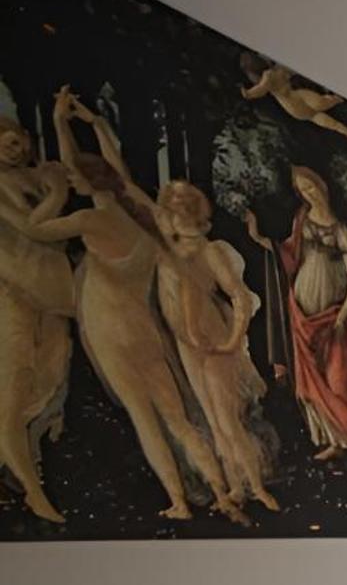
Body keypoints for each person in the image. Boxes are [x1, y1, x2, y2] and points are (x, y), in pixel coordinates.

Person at [28, 89, 240, 524]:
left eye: (75, 181)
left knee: (145, 418)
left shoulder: (88, 220)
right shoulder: (142, 219)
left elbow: (36, 228)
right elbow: (112, 172)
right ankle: (221, 491)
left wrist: (56, 180)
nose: (71, 182)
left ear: (85, 184)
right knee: (177, 419)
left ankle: (179, 502)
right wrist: (85, 124)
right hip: (144, 332)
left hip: (111, 334)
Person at [245, 165, 347, 462]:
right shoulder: (302, 218)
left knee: (340, 383)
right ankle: (333, 440)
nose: (308, 194)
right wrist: (258, 237)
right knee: (310, 386)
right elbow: (289, 255)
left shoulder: (340, 228)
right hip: (301, 313)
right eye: (302, 190)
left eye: (310, 187)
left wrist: (342, 316)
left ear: (321, 185)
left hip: (333, 316)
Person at [154, 180, 277, 510]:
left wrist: (233, 340)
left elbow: (239, 296)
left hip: (213, 342)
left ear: (190, 213)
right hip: (187, 344)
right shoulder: (169, 251)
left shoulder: (208, 251)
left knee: (228, 421)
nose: (173, 217)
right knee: (212, 421)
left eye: (179, 210)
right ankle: (235, 488)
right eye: (171, 211)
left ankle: (257, 488)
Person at [0, 115, 75, 523]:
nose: (11, 150)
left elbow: (60, 229)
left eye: (15, 142)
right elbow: (32, 227)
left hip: (52, 292)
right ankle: (33, 490)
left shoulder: (37, 175)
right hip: (13, 291)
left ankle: (16, 464)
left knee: (50, 378)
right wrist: (58, 190)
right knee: (13, 388)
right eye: (3, 145)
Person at [239, 60, 347, 144]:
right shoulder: (271, 73)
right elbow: (261, 88)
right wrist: (249, 93)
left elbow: (261, 88)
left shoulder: (269, 75)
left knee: (320, 115)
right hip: (295, 99)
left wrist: (249, 93)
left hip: (294, 107)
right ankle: (343, 118)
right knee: (321, 106)